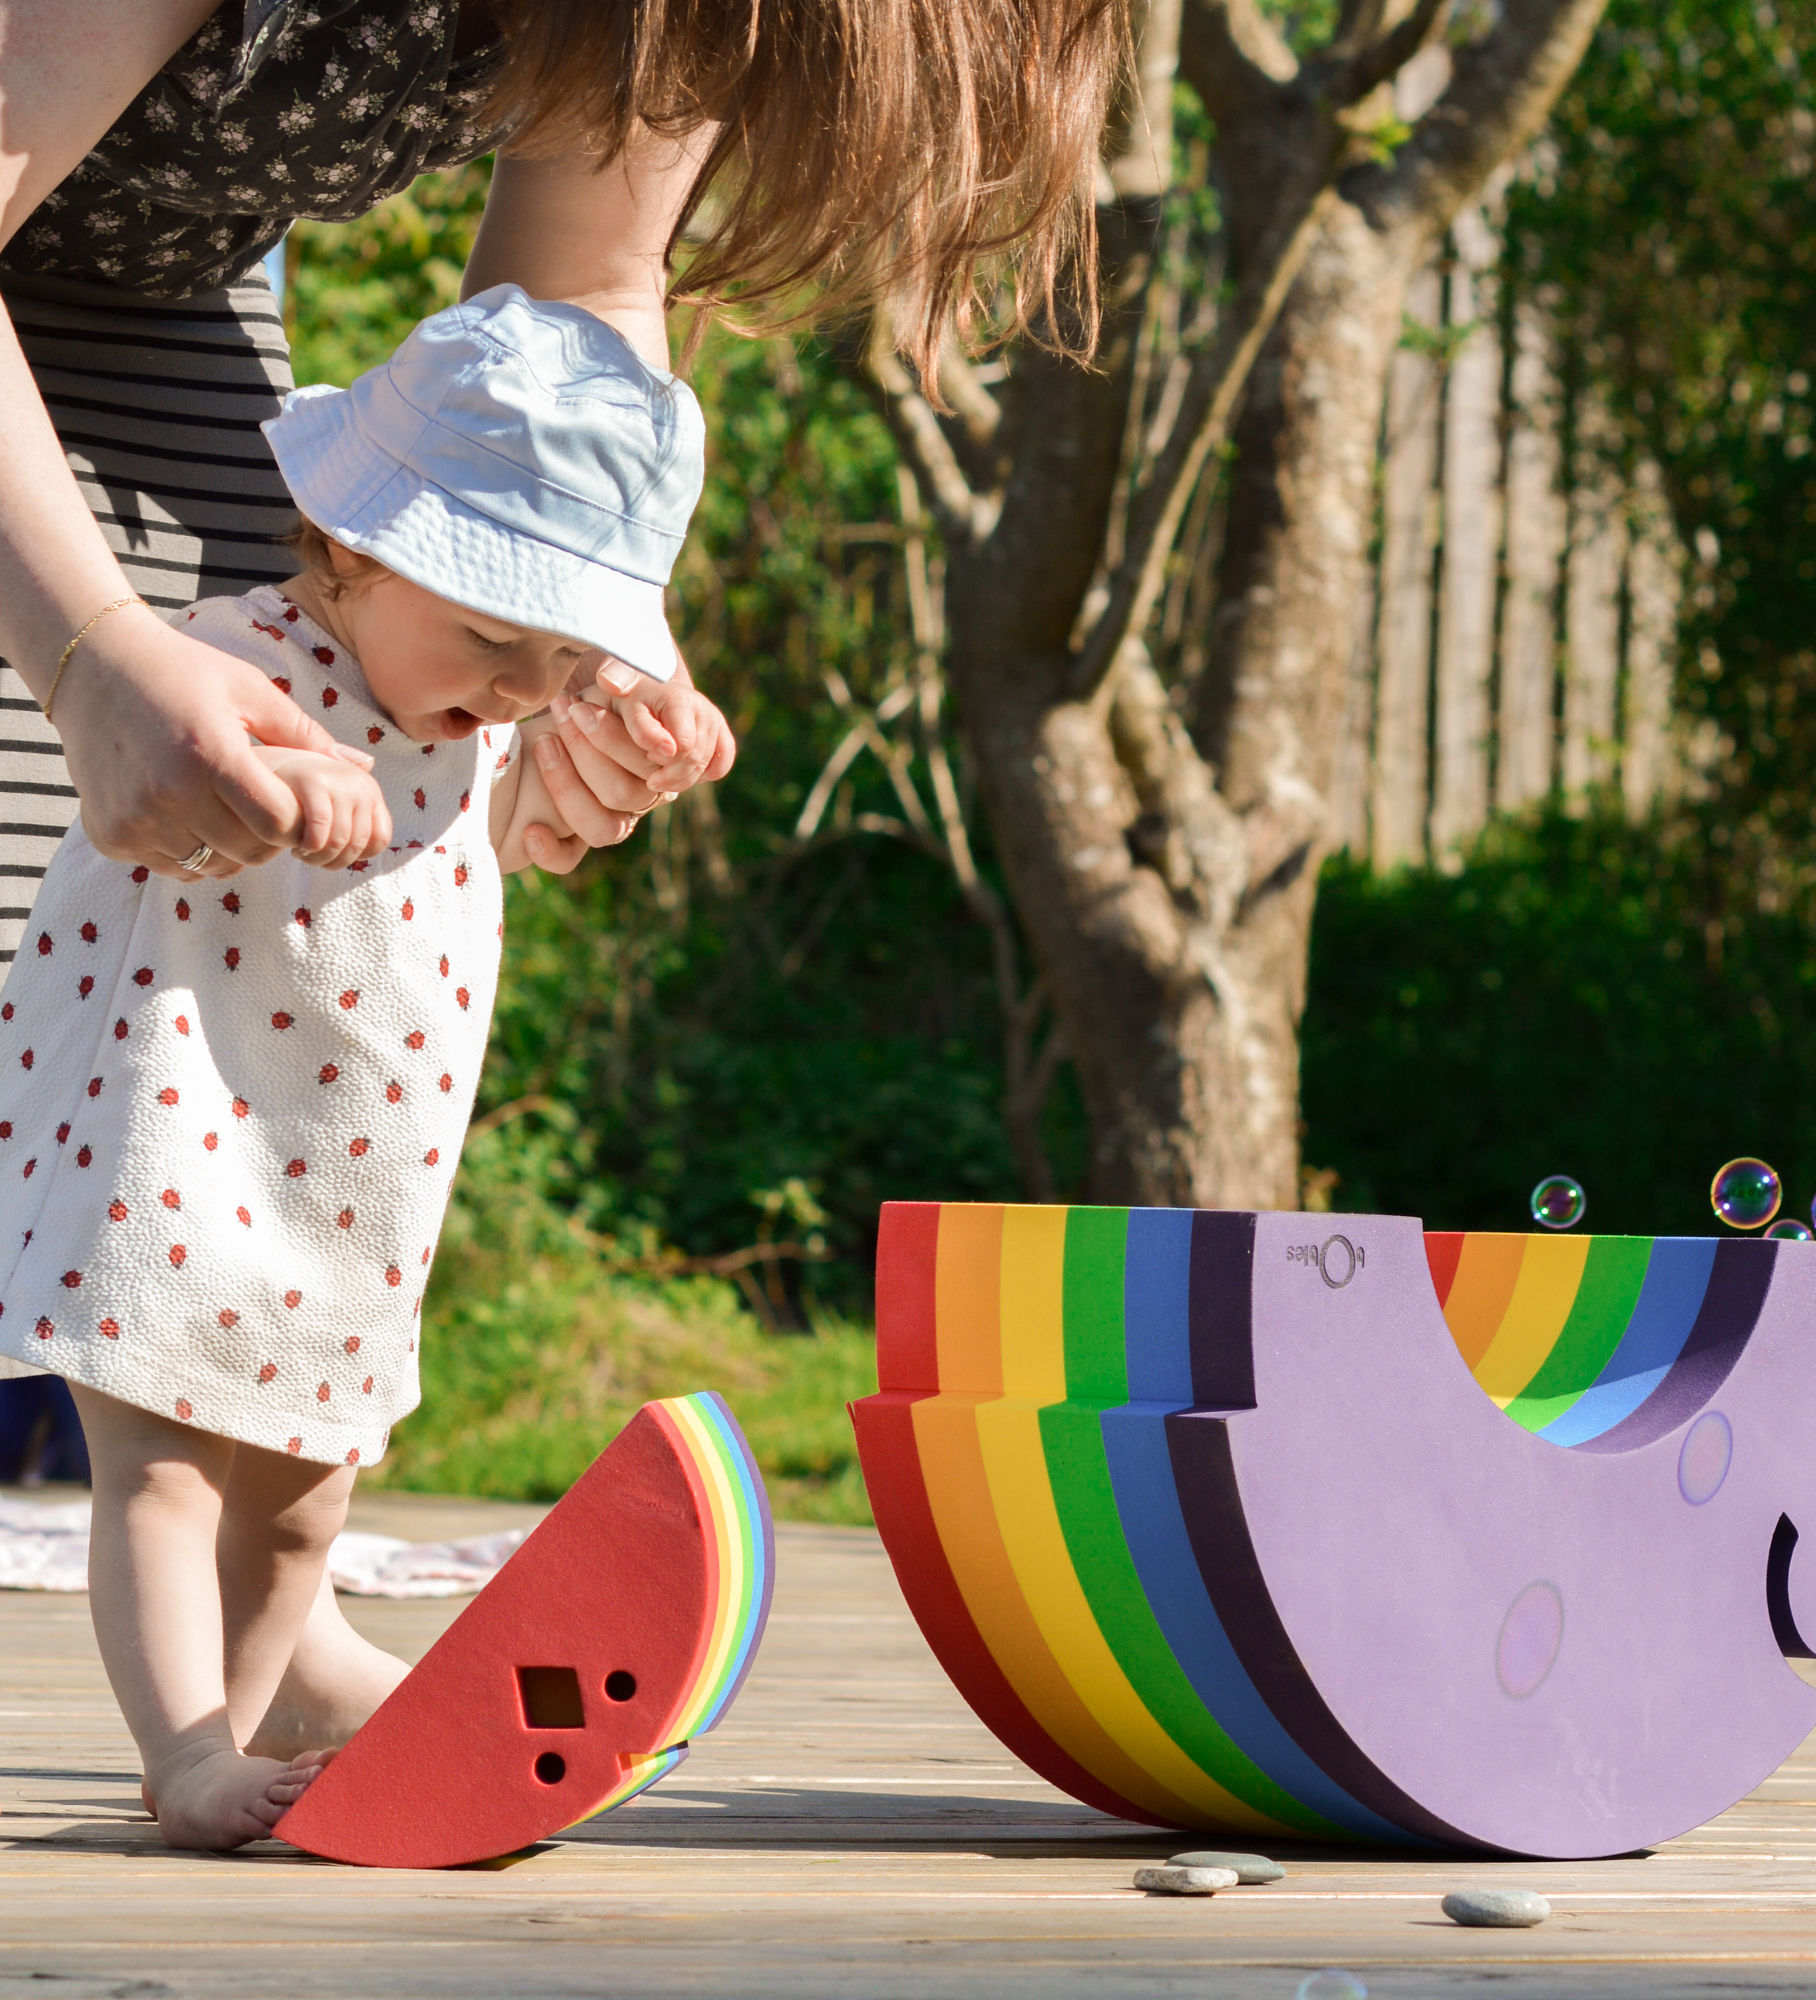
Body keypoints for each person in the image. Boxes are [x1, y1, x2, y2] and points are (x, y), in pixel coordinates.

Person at [0, 0, 1119, 1829]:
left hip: (150, 301)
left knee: (226, 860)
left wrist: (594, 638)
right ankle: (210, 1716)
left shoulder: (661, 13)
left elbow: (577, 297)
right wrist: (96, 646)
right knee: (74, 928)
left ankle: (283, 1675)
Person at [0, 284, 713, 1850]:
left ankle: (262, 1728)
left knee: (306, 1496)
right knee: (166, 1470)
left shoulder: (478, 717)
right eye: (494, 633)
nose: (528, 686)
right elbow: (177, 783)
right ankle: (186, 1752)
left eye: (566, 651)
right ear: (355, 551)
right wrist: (271, 786)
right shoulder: (232, 656)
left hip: (346, 1177)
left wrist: (648, 733)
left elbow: (521, 829)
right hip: (174, 1138)